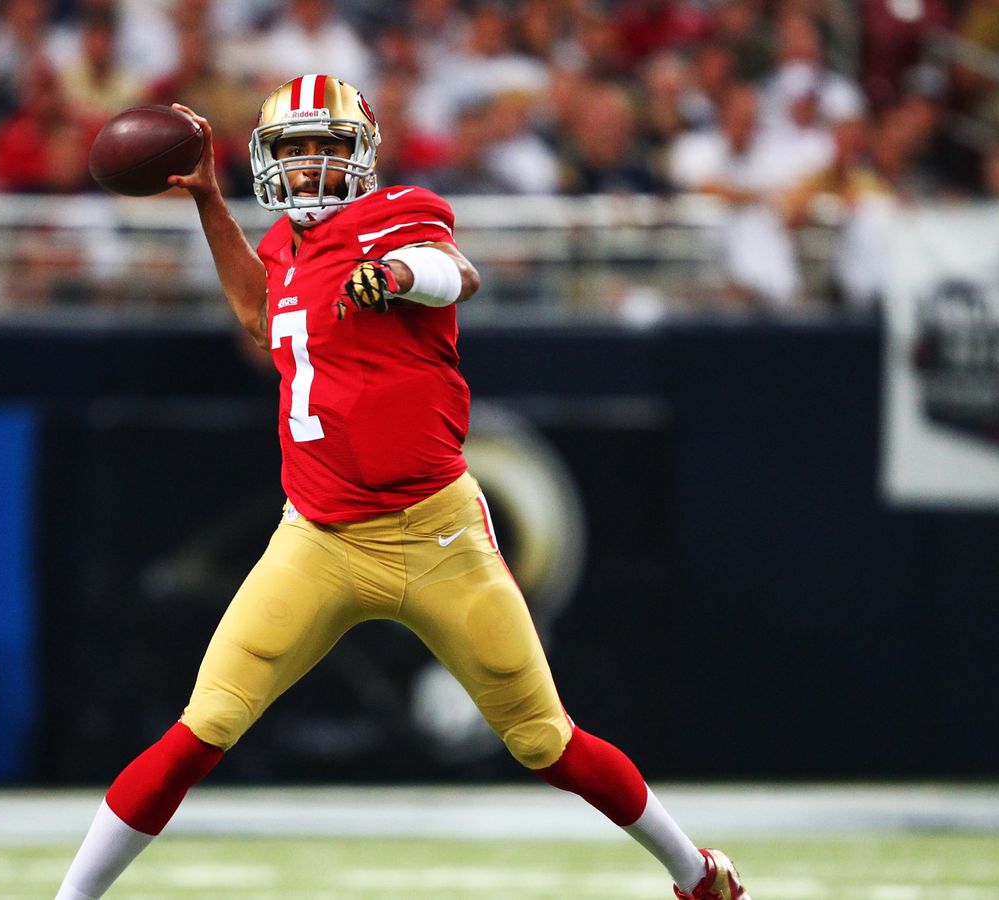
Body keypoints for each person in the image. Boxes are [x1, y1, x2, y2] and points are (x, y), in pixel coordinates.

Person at [53, 74, 752, 900]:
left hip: (435, 534)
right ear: (267, 161)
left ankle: (693, 870)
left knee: (544, 742)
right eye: (294, 150)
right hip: (316, 538)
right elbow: (257, 311)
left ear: (362, 155)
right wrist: (208, 201)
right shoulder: (280, 245)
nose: (311, 166)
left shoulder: (397, 213)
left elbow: (454, 271)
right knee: (202, 728)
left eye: (327, 147)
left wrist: (399, 279)